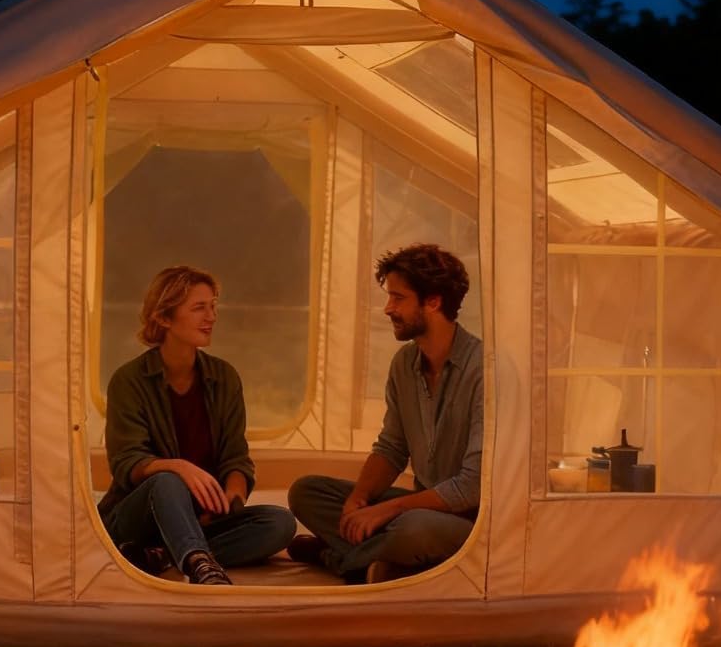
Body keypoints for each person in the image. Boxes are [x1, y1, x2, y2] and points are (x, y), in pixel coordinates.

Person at [288, 244, 482, 583]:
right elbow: (392, 448)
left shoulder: (485, 370)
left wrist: (389, 509)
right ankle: (385, 561)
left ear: (433, 301)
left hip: (469, 520)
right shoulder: (404, 364)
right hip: (419, 505)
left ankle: (337, 558)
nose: (388, 308)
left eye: (398, 298)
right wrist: (360, 500)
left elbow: (472, 486)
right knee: (306, 492)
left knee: (412, 528)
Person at [99, 265, 297, 585]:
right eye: (199, 308)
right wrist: (179, 467)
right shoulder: (129, 380)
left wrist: (230, 503)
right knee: (168, 481)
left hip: (200, 520)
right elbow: (126, 463)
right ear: (164, 317)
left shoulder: (224, 378)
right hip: (137, 516)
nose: (212, 316)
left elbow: (236, 458)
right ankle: (199, 564)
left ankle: (164, 555)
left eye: (213, 305)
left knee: (279, 523)